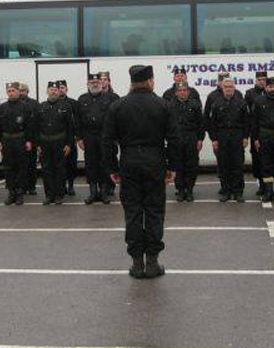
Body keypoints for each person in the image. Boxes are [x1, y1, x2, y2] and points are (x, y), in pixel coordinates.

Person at [102, 65, 179, 279]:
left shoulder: (118, 106)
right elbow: (174, 139)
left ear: (131, 82)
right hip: (155, 162)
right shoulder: (163, 105)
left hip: (128, 162)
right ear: (150, 81)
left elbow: (107, 141)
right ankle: (152, 262)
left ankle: (137, 263)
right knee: (154, 211)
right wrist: (172, 167)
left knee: (133, 212)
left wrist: (112, 169)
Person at [207, 76, 249, 202]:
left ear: (234, 88)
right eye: (226, 87)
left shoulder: (241, 103)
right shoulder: (216, 103)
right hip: (222, 136)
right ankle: (226, 191)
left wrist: (246, 137)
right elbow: (212, 123)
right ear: (222, 88)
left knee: (238, 165)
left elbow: (247, 122)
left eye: (231, 86)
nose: (229, 89)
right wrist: (214, 139)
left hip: (237, 135)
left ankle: (238, 192)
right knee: (224, 165)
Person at [77, 73, 114, 204]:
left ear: (101, 83)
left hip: (104, 136)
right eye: (92, 82)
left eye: (97, 81)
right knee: (91, 163)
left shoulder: (109, 98)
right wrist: (79, 138)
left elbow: (113, 120)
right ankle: (93, 193)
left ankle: (103, 192)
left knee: (104, 163)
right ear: (88, 84)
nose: (95, 83)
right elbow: (78, 121)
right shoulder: (81, 99)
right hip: (88, 136)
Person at [0, 82, 35, 205]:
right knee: (8, 167)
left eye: (13, 90)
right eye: (9, 91)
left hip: (20, 140)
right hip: (7, 141)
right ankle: (11, 192)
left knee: (21, 167)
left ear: (19, 91)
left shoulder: (25, 107)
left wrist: (29, 140)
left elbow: (30, 125)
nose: (11, 93)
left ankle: (20, 193)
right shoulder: (2, 107)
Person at [37, 81, 75, 205]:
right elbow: (36, 127)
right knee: (47, 170)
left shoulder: (65, 106)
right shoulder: (41, 106)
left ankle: (59, 195)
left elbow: (70, 127)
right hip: (45, 143)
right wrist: (38, 145)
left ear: (59, 92)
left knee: (60, 170)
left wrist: (69, 144)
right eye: (51, 89)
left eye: (55, 90)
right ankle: (49, 195)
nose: (53, 91)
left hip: (60, 142)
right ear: (47, 91)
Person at [169, 82, 203, 202]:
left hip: (191, 137)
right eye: (180, 90)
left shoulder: (195, 104)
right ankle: (180, 190)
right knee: (178, 165)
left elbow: (200, 123)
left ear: (188, 92)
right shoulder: (170, 105)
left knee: (191, 165)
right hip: (176, 139)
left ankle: (189, 190)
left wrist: (200, 139)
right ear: (176, 92)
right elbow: (167, 124)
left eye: (184, 90)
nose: (182, 92)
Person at [245, 71, 268, 196]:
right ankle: (261, 184)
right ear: (256, 80)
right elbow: (247, 114)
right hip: (255, 131)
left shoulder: (271, 92)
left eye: (264, 79)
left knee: (269, 159)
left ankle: (269, 185)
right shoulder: (249, 94)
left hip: (269, 131)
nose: (262, 81)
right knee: (257, 159)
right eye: (259, 79)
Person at [57, 80, 79, 196]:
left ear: (66, 89)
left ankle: (70, 185)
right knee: (60, 164)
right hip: (58, 139)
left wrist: (77, 136)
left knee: (71, 163)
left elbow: (77, 121)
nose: (61, 89)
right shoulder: (54, 103)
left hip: (70, 139)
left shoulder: (73, 103)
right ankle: (62, 185)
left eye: (63, 87)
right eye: (59, 87)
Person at [18, 83, 41, 195]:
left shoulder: (34, 104)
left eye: (24, 91)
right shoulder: (15, 104)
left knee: (31, 165)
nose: (22, 93)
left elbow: (38, 122)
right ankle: (22, 187)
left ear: (27, 91)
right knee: (21, 165)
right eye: (20, 90)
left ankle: (31, 187)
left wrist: (36, 141)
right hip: (19, 140)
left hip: (32, 139)